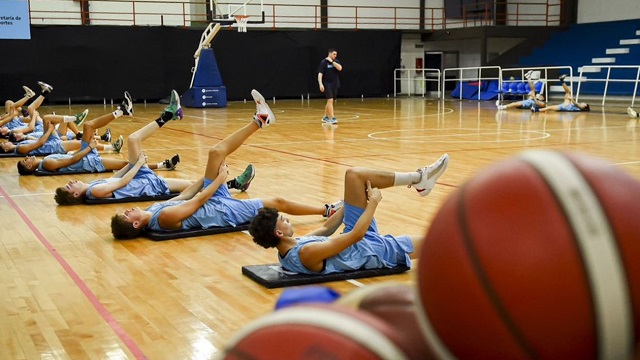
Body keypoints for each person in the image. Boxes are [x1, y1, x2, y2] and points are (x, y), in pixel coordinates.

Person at [111, 89, 342, 240]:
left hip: (211, 199)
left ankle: (260, 120)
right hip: (221, 211)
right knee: (276, 202)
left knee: (215, 152)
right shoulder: (163, 220)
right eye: (127, 214)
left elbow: (186, 196)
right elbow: (198, 200)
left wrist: (205, 177)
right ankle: (327, 210)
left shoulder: (152, 211)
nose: (128, 209)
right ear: (135, 225)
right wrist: (220, 179)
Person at [248, 153, 450, 275]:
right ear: (279, 233)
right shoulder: (305, 254)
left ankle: (418, 179)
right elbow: (356, 236)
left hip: (356, 240)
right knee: (438, 243)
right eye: (283, 220)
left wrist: (349, 201)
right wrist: (372, 204)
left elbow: (328, 228)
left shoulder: (291, 247)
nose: (287, 218)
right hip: (371, 250)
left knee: (353, 176)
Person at [54, 90, 255, 205]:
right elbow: (122, 181)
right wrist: (138, 164)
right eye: (69, 186)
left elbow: (118, 176)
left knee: (133, 139)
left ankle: (170, 114)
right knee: (196, 185)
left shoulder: (92, 187)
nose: (71, 182)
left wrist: (137, 165)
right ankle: (235, 184)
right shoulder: (95, 193)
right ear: (75, 195)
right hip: (147, 185)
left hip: (139, 176)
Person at [16, 91, 173, 175]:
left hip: (82, 155)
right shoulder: (47, 163)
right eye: (26, 161)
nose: (28, 158)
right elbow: (71, 161)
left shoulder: (45, 162)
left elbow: (71, 158)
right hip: (87, 162)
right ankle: (161, 165)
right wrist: (90, 147)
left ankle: (122, 111)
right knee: (128, 164)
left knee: (88, 125)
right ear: (29, 167)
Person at [317, 48, 343, 124]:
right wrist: (320, 84)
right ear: (330, 53)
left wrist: (332, 62)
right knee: (330, 99)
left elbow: (340, 68)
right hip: (326, 83)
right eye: (334, 54)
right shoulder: (323, 62)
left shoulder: (336, 61)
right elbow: (320, 74)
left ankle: (325, 117)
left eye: (336, 54)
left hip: (334, 84)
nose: (335, 56)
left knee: (330, 101)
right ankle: (332, 118)